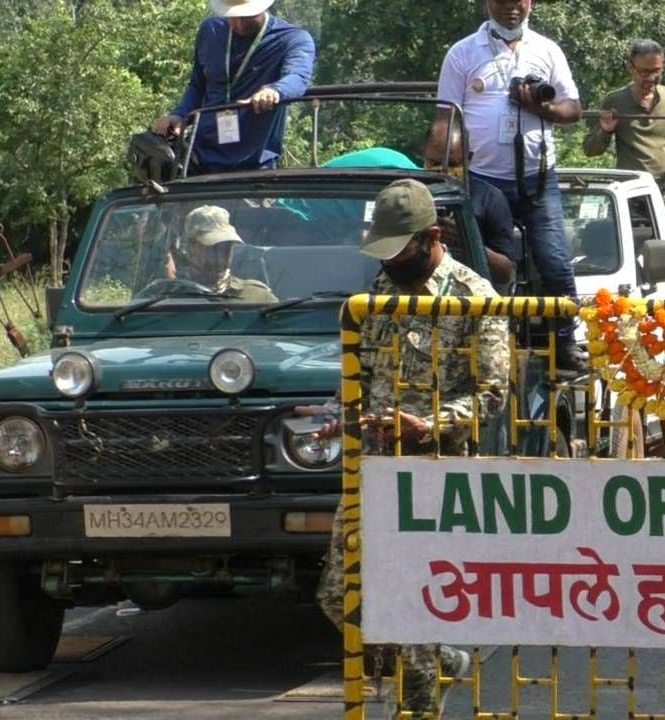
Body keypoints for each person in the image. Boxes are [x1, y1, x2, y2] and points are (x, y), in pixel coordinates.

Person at [309, 179, 509, 716]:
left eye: (399, 250)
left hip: (433, 470)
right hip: (371, 467)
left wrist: (431, 423)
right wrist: (338, 418)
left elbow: (492, 395)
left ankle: (418, 704)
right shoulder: (378, 291)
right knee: (337, 595)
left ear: (432, 236)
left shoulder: (473, 298)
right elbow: (361, 372)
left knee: (410, 601)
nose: (390, 262)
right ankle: (439, 662)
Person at [437, 0, 586, 372]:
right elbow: (446, 117)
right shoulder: (462, 52)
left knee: (554, 263)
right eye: (502, 1)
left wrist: (543, 109)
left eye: (518, 1)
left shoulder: (547, 49)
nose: (511, 9)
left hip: (536, 179)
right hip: (480, 180)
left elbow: (574, 110)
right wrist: (444, 170)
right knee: (472, 262)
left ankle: (565, 342)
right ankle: (468, 344)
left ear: (531, 3)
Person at [152, 0, 315, 174]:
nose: (238, 23)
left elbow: (298, 77)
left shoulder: (292, 39)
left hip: (254, 167)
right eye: (232, 15)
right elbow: (198, 85)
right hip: (199, 159)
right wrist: (178, 115)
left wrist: (275, 90)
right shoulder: (211, 31)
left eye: (246, 16)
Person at [582, 39, 665, 220]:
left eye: (656, 71)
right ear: (630, 68)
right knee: (635, 244)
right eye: (644, 72)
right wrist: (605, 131)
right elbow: (590, 149)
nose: (651, 78)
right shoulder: (614, 100)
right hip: (630, 193)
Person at [423, 119, 518, 290]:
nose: (443, 171)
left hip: (473, 299)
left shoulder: (489, 198)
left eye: (452, 164)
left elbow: (506, 272)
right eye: (434, 164)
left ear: (469, 159)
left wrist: (467, 239)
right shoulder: (410, 195)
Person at [164, 205, 277, 301]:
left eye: (227, 249)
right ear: (191, 246)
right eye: (213, 249)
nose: (221, 260)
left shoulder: (257, 297)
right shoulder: (168, 298)